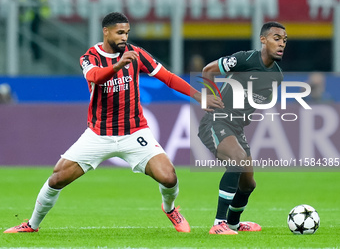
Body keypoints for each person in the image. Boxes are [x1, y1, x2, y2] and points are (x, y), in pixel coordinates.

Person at [4, 12, 223, 234]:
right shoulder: (89, 57)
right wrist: (119, 66)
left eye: (127, 33)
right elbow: (95, 77)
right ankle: (31, 225)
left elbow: (167, 77)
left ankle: (170, 209)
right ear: (106, 32)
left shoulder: (135, 53)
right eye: (120, 33)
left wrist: (199, 96)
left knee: (169, 177)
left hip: (134, 132)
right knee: (57, 178)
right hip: (98, 134)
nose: (124, 37)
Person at [198, 21, 287, 235]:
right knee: (236, 161)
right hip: (217, 121)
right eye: (277, 38)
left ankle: (233, 224)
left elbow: (254, 102)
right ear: (263, 40)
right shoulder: (244, 59)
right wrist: (211, 97)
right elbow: (208, 70)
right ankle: (218, 224)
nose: (282, 43)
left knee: (248, 184)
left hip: (236, 127)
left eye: (285, 40)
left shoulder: (277, 76)